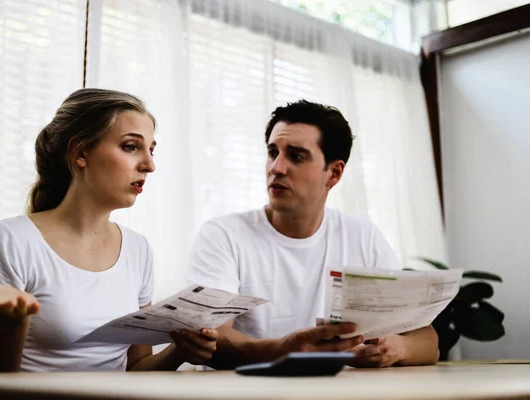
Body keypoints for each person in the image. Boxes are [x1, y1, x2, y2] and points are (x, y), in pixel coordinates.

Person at [0, 88, 218, 372]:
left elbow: (136, 367)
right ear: (81, 152)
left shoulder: (137, 249)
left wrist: (179, 351)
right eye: (131, 146)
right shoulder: (12, 241)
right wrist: (12, 323)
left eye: (151, 150)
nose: (149, 165)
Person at [187, 100, 439, 369]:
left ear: (334, 172)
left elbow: (428, 341)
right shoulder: (224, 235)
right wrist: (282, 350)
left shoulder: (363, 237)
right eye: (273, 153)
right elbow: (208, 342)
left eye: (295, 156)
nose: (276, 167)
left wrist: (398, 348)